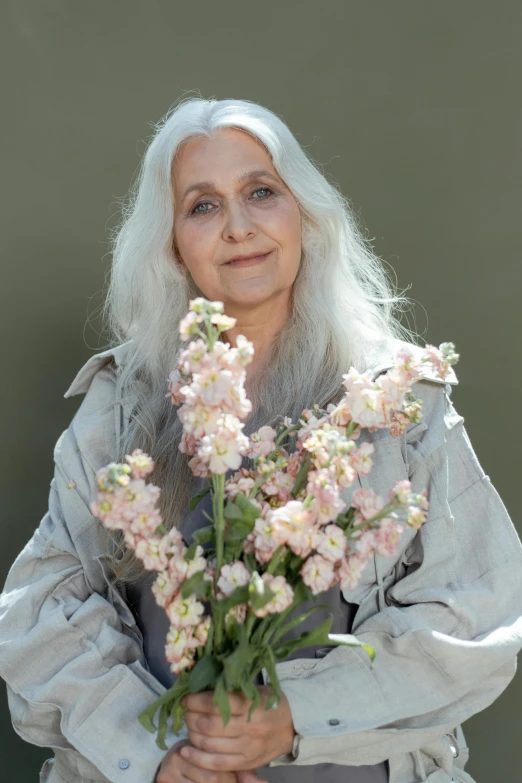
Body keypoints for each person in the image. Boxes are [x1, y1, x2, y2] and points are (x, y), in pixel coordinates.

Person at [1, 97, 522, 783]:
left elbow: (477, 616)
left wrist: (294, 712)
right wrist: (158, 756)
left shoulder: (396, 399)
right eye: (203, 206)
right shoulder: (123, 403)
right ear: (173, 245)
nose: (239, 227)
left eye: (261, 192)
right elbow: (44, 610)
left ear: (303, 212)